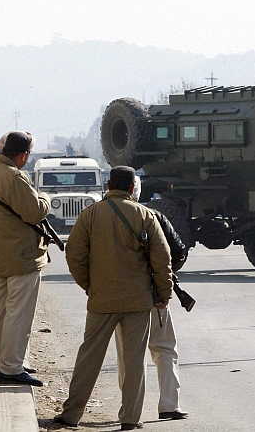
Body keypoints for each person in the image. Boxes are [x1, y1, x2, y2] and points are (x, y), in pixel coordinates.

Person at [54, 166, 173, 430]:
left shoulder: (90, 215)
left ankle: (71, 415)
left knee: (89, 359)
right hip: (137, 301)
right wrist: (164, 294)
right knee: (133, 362)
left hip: (101, 300)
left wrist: (89, 285)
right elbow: (162, 259)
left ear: (108, 185)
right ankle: (130, 419)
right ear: (133, 188)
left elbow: (74, 255)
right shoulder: (145, 215)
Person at [0, 131, 50, 387]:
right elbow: (34, 210)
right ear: (23, 155)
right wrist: (45, 198)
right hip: (22, 255)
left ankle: (0, 362)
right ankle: (11, 367)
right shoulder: (12, 176)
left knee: (1, 310)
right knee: (18, 313)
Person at [113, 176, 188, 421]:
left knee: (127, 355)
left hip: (121, 297)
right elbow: (177, 253)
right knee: (165, 349)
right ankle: (169, 404)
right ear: (135, 189)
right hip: (154, 297)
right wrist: (163, 283)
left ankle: (129, 408)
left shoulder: (101, 216)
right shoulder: (153, 217)